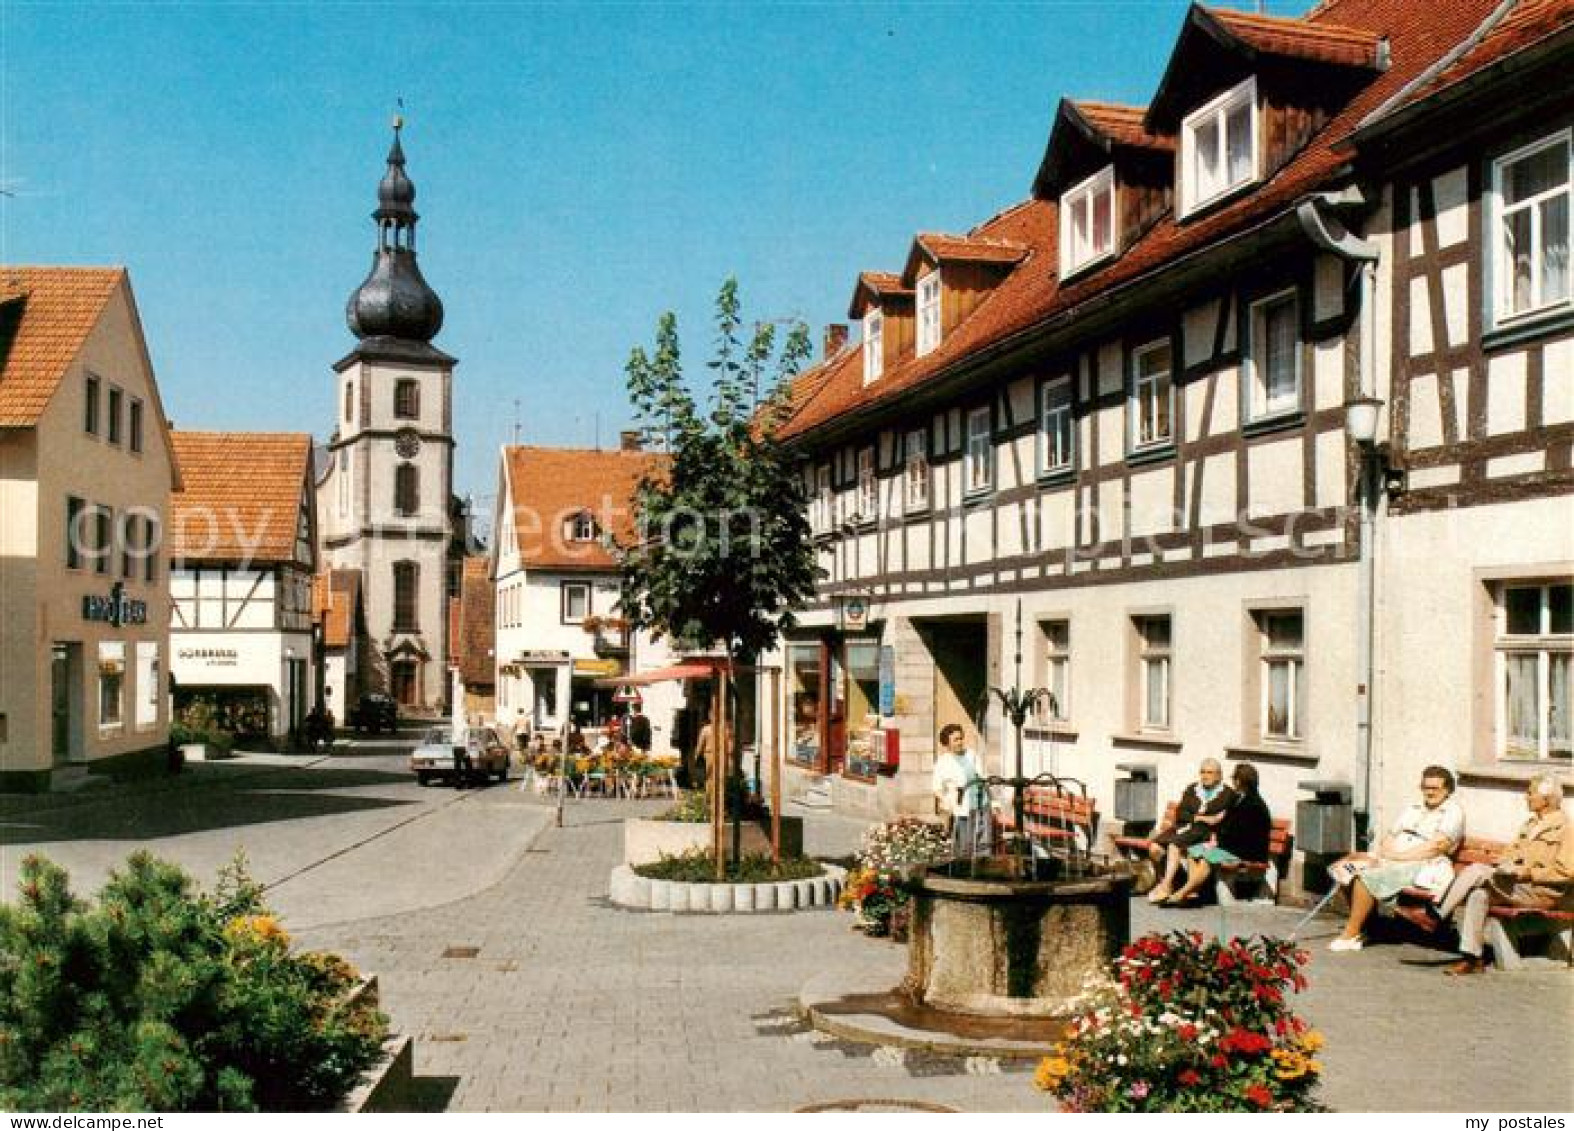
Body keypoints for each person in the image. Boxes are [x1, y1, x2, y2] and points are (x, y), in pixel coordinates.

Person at [1436, 773, 1574, 975]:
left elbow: (1567, 872)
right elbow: (1511, 852)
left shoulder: (1567, 829)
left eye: (1530, 793)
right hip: (1518, 888)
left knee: (1476, 870)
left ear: (1547, 799)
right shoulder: (1530, 825)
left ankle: (1438, 914)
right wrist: (1504, 864)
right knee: (1478, 895)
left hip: (1544, 893)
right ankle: (1473, 958)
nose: (1526, 797)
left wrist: (1527, 873)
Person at [1328, 765, 1465, 952]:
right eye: (1426, 787)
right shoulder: (1413, 808)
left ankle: (1350, 934)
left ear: (1447, 790)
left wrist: (1398, 857)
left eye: (1435, 788)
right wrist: (1381, 855)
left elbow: (1435, 847)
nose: (1430, 792)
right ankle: (1368, 926)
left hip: (1424, 865)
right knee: (1346, 868)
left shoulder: (1453, 812)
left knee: (1365, 877)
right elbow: (1390, 836)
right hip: (1393, 859)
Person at [1159, 763, 1271, 906]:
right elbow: (1226, 824)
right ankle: (1194, 892)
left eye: (1235, 779)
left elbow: (1245, 835)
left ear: (1240, 781)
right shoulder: (1237, 799)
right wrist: (1215, 837)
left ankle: (1180, 894)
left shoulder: (1254, 805)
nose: (1233, 782)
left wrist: (1218, 843)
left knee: (1207, 857)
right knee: (1193, 851)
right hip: (1232, 847)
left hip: (1248, 852)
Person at [1147, 758, 1234, 903]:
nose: (1205, 776)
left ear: (1219, 775)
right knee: (1154, 848)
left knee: (1174, 845)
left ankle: (1167, 885)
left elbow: (1222, 819)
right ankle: (1167, 883)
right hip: (1183, 828)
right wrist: (1203, 818)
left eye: (1210, 773)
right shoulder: (1192, 789)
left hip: (1204, 834)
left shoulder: (1227, 794)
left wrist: (1201, 820)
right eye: (1202, 772)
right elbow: (1181, 813)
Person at [932, 723, 991, 858]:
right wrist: (948, 803)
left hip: (982, 804)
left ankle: (984, 869)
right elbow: (936, 788)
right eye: (956, 740)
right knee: (965, 845)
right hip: (962, 808)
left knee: (984, 843)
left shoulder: (971, 755)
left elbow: (983, 777)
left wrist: (993, 801)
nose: (960, 742)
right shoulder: (943, 763)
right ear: (947, 743)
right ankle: (964, 872)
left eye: (961, 738)